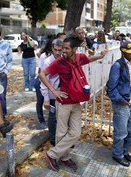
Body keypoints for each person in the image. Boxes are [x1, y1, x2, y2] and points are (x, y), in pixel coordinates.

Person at [39, 36, 107, 172]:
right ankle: (64, 157)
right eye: (62, 48)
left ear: (74, 49)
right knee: (61, 132)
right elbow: (42, 74)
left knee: (75, 133)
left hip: (76, 101)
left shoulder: (80, 57)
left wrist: (100, 56)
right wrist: (53, 91)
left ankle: (52, 154)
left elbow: (89, 59)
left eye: (66, 48)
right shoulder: (59, 62)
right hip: (63, 102)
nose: (63, 51)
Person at [107, 41, 131, 167]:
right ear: (123, 52)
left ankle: (124, 151)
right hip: (122, 104)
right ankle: (118, 154)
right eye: (130, 53)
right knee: (121, 133)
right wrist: (121, 100)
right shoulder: (117, 66)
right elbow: (111, 89)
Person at [40, 38, 63, 146]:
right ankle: (53, 138)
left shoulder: (65, 59)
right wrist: (46, 99)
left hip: (63, 93)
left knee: (63, 117)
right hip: (52, 94)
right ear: (52, 49)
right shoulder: (47, 62)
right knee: (53, 117)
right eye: (55, 50)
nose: (57, 52)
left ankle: (63, 139)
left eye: (60, 50)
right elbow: (43, 81)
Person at [34, 39, 53, 129]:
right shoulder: (43, 56)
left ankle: (51, 120)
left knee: (51, 102)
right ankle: (41, 120)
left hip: (50, 81)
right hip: (41, 80)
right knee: (41, 101)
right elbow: (41, 72)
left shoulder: (58, 57)